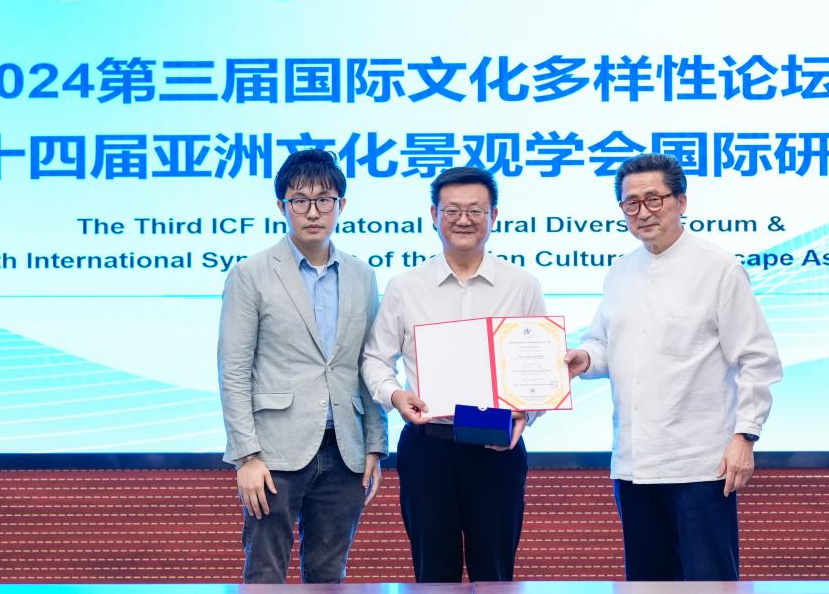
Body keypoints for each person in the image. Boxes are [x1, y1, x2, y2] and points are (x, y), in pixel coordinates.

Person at [565, 153, 782, 581]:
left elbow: (757, 358)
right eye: (631, 203)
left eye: (654, 199)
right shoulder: (620, 272)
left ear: (681, 202)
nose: (643, 212)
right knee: (646, 583)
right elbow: (604, 344)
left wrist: (745, 436)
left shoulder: (718, 268)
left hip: (700, 464)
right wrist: (585, 359)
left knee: (709, 583)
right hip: (633, 465)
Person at [361, 166, 546, 583]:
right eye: (452, 210)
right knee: (433, 575)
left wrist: (527, 413)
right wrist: (396, 396)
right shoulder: (405, 286)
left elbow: (540, 365)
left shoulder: (521, 285)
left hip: (497, 447)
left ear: (493, 216)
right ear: (434, 214)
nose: (464, 220)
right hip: (429, 447)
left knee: (495, 575)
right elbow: (375, 359)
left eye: (475, 210)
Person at [217, 149, 387, 583]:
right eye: (300, 200)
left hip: (345, 451)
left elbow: (368, 363)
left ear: (341, 205)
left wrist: (374, 444)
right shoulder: (251, 273)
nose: (313, 212)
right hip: (273, 452)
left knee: (329, 576)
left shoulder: (362, 275)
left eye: (324, 200)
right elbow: (233, 370)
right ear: (282, 206)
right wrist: (246, 456)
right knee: (265, 573)